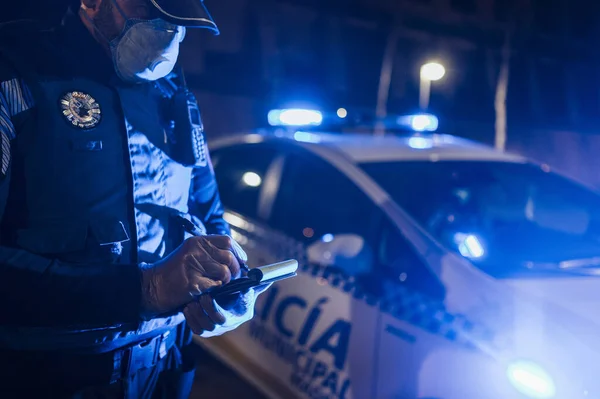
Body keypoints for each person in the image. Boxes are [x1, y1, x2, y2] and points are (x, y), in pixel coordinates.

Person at [0, 0, 269, 397]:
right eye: (152, 12)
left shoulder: (174, 93)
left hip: (163, 371)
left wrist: (230, 284)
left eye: (180, 20)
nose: (169, 31)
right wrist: (145, 290)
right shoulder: (17, 73)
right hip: (51, 377)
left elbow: (208, 213)